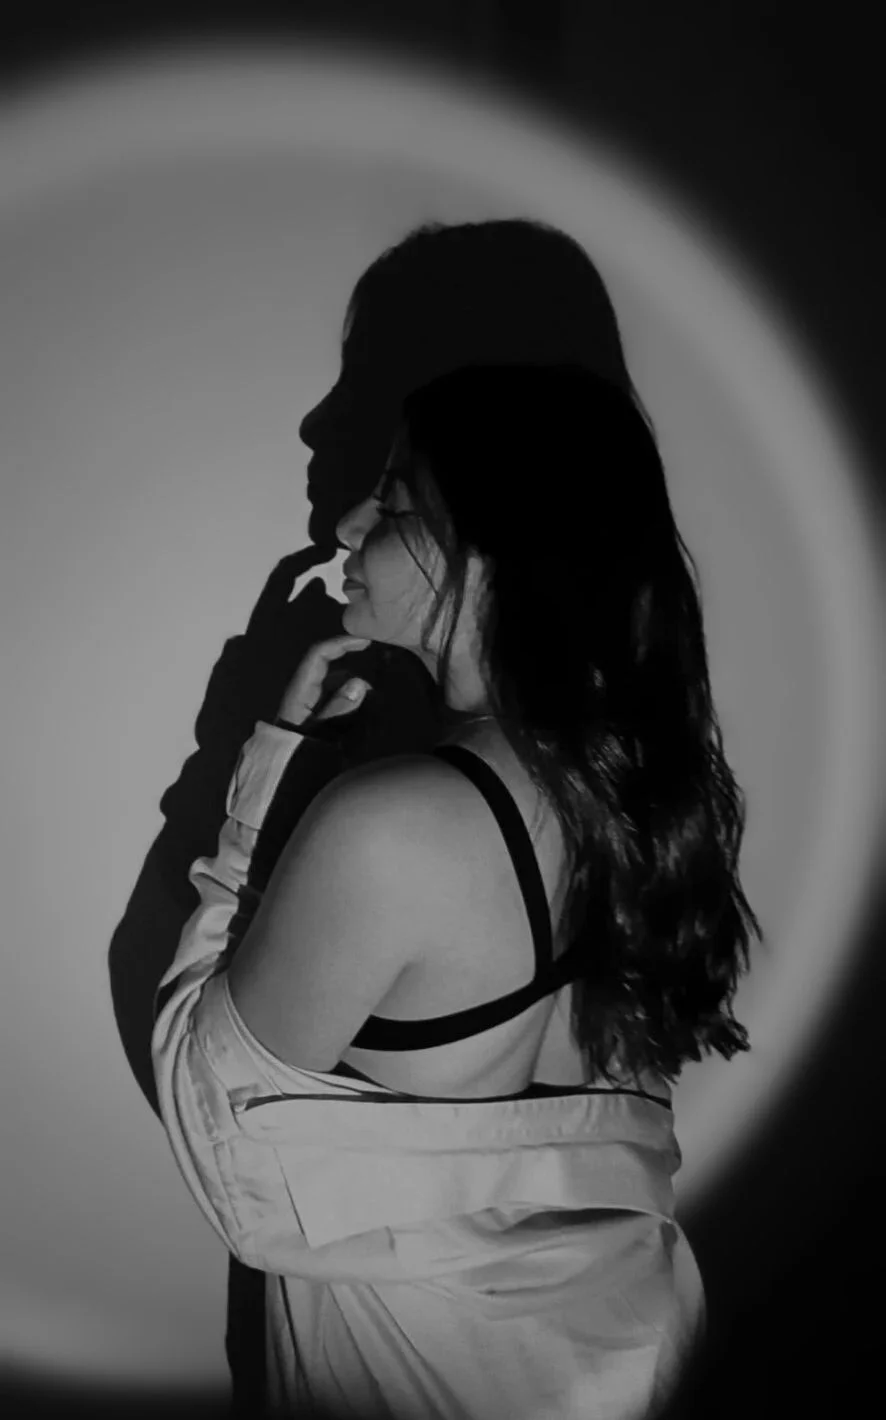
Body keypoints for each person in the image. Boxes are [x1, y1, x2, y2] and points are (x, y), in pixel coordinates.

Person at [150, 348, 760, 1419]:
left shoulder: (398, 826)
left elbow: (222, 1146)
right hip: (626, 1359)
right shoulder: (634, 798)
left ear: (487, 550)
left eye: (391, 502)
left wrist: (261, 788)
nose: (345, 525)